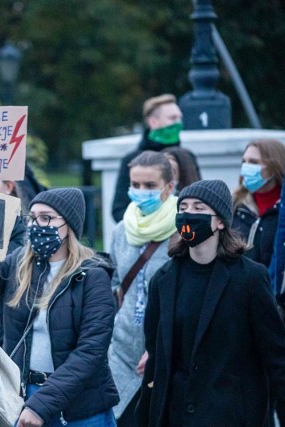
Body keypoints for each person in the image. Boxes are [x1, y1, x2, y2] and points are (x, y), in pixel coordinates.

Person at [136, 179, 285, 427]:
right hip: (176, 416)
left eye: (199, 208)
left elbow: (276, 355)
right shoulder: (163, 279)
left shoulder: (249, 278)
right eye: (183, 208)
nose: (188, 215)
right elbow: (156, 355)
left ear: (220, 221)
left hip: (232, 416)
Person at [0, 187, 119, 426]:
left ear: (70, 226)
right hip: (24, 398)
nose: (36, 225)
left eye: (46, 218)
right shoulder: (19, 264)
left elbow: (90, 352)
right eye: (32, 218)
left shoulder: (93, 276)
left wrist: (42, 405)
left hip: (79, 408)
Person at [106, 151, 178, 426]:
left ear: (169, 187)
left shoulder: (182, 231)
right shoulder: (122, 230)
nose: (140, 191)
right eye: (135, 185)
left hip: (165, 352)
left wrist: (159, 347)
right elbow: (113, 285)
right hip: (122, 348)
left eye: (150, 186)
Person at [112, 94, 183, 222]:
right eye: (172, 118)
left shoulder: (186, 158)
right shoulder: (131, 160)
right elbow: (119, 209)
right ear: (153, 122)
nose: (178, 123)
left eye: (179, 118)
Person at [232, 139, 285, 274]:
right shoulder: (234, 205)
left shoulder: (281, 210)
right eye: (244, 161)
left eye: (254, 162)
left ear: (275, 166)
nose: (246, 167)